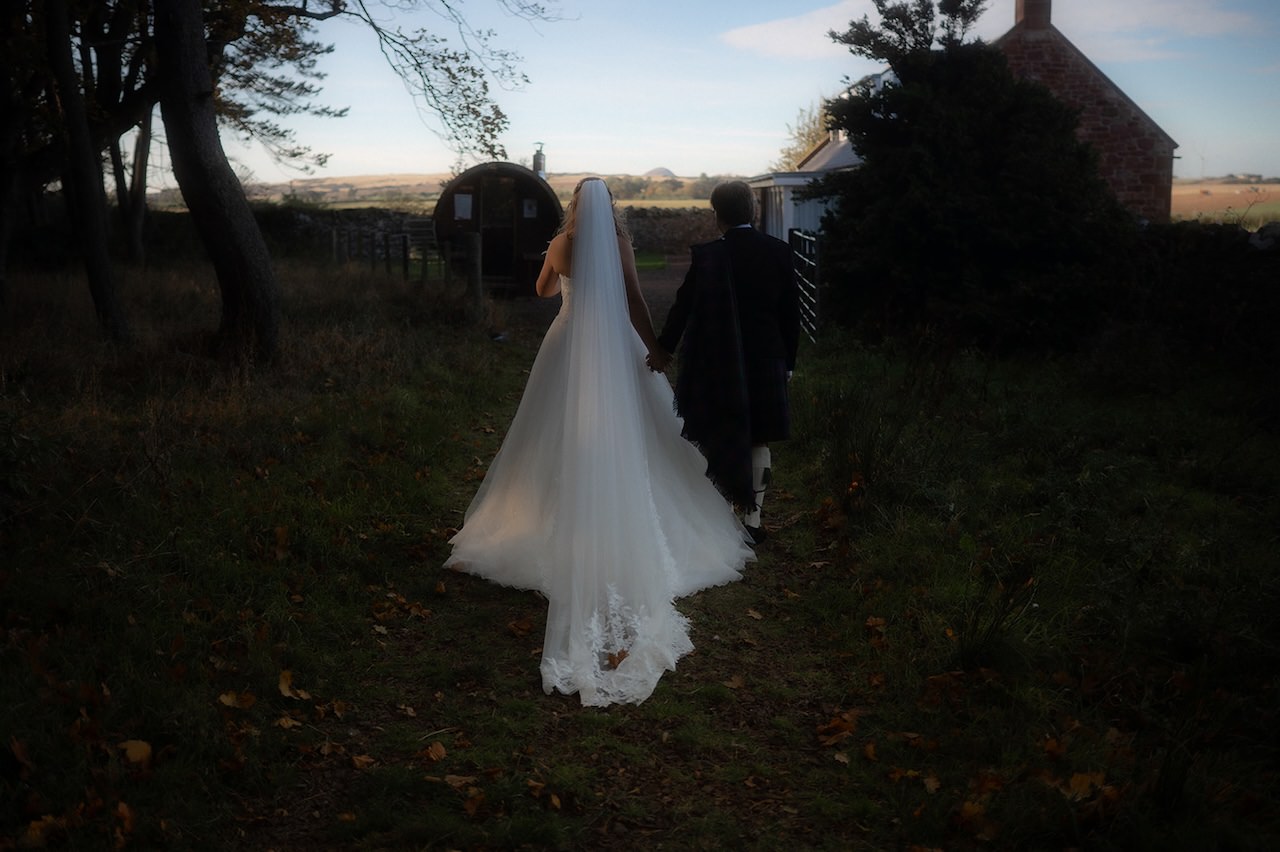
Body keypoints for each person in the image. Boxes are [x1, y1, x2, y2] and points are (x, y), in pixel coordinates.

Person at [444, 178, 754, 707]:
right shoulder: (621, 244)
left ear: (572, 208)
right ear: (610, 209)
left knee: (554, 436)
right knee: (639, 433)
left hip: (568, 344)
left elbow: (542, 291)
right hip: (615, 347)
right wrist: (655, 348)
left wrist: (554, 264)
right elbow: (633, 299)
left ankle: (550, 521)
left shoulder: (563, 246)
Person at [648, 181, 800, 544]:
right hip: (767, 358)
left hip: (717, 360)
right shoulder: (778, 251)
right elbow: (790, 313)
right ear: (753, 212)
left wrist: (663, 350)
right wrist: (789, 361)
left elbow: (682, 307)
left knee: (718, 433)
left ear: (717, 215)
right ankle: (754, 520)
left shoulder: (708, 256)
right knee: (758, 440)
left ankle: (720, 517)